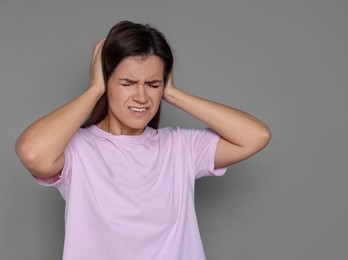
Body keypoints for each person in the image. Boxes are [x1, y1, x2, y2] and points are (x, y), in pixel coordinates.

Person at [15, 20, 271, 260]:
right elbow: (33, 153)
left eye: (152, 84)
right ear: (106, 81)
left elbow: (255, 136)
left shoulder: (181, 148)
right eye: (128, 82)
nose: (142, 97)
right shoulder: (77, 150)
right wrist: (94, 90)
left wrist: (174, 94)